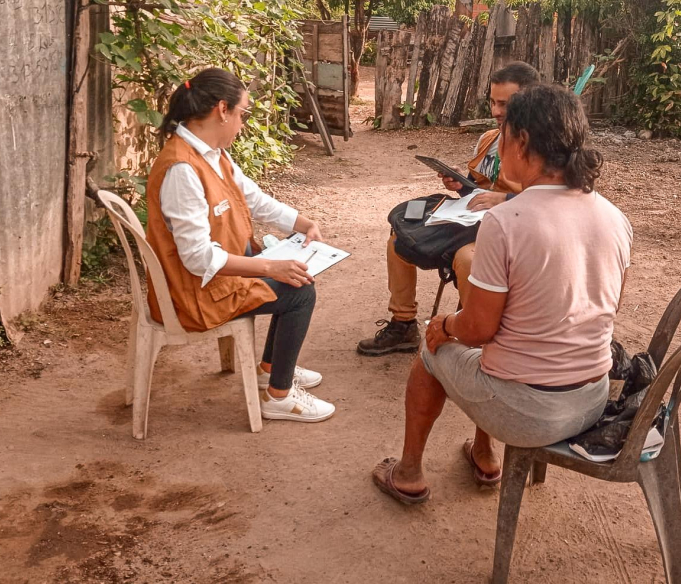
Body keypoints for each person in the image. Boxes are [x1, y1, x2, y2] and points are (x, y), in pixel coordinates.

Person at [372, 83, 632, 503]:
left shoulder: (506, 221)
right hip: (592, 396)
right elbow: (608, 306)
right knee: (495, 349)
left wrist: (442, 325)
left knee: (432, 350)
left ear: (522, 142)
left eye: (506, 134)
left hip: (530, 413)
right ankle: (481, 452)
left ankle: (408, 473)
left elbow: (475, 329)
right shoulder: (613, 216)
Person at [145, 68, 335, 423]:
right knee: (300, 291)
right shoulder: (182, 169)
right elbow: (197, 258)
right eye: (243, 114)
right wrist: (268, 266)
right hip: (194, 292)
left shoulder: (210, 154)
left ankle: (269, 369)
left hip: (210, 277)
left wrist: (302, 222)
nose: (242, 124)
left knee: (294, 274)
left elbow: (256, 200)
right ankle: (279, 397)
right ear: (222, 110)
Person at [356, 62, 541, 357]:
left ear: (531, 101)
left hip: (511, 232)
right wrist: (462, 183)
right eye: (492, 102)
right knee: (401, 238)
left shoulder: (542, 147)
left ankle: (478, 337)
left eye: (504, 104)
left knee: (469, 259)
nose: (495, 111)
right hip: (472, 220)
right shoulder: (489, 140)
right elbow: (481, 187)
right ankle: (403, 324)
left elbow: (551, 201)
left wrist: (504, 201)